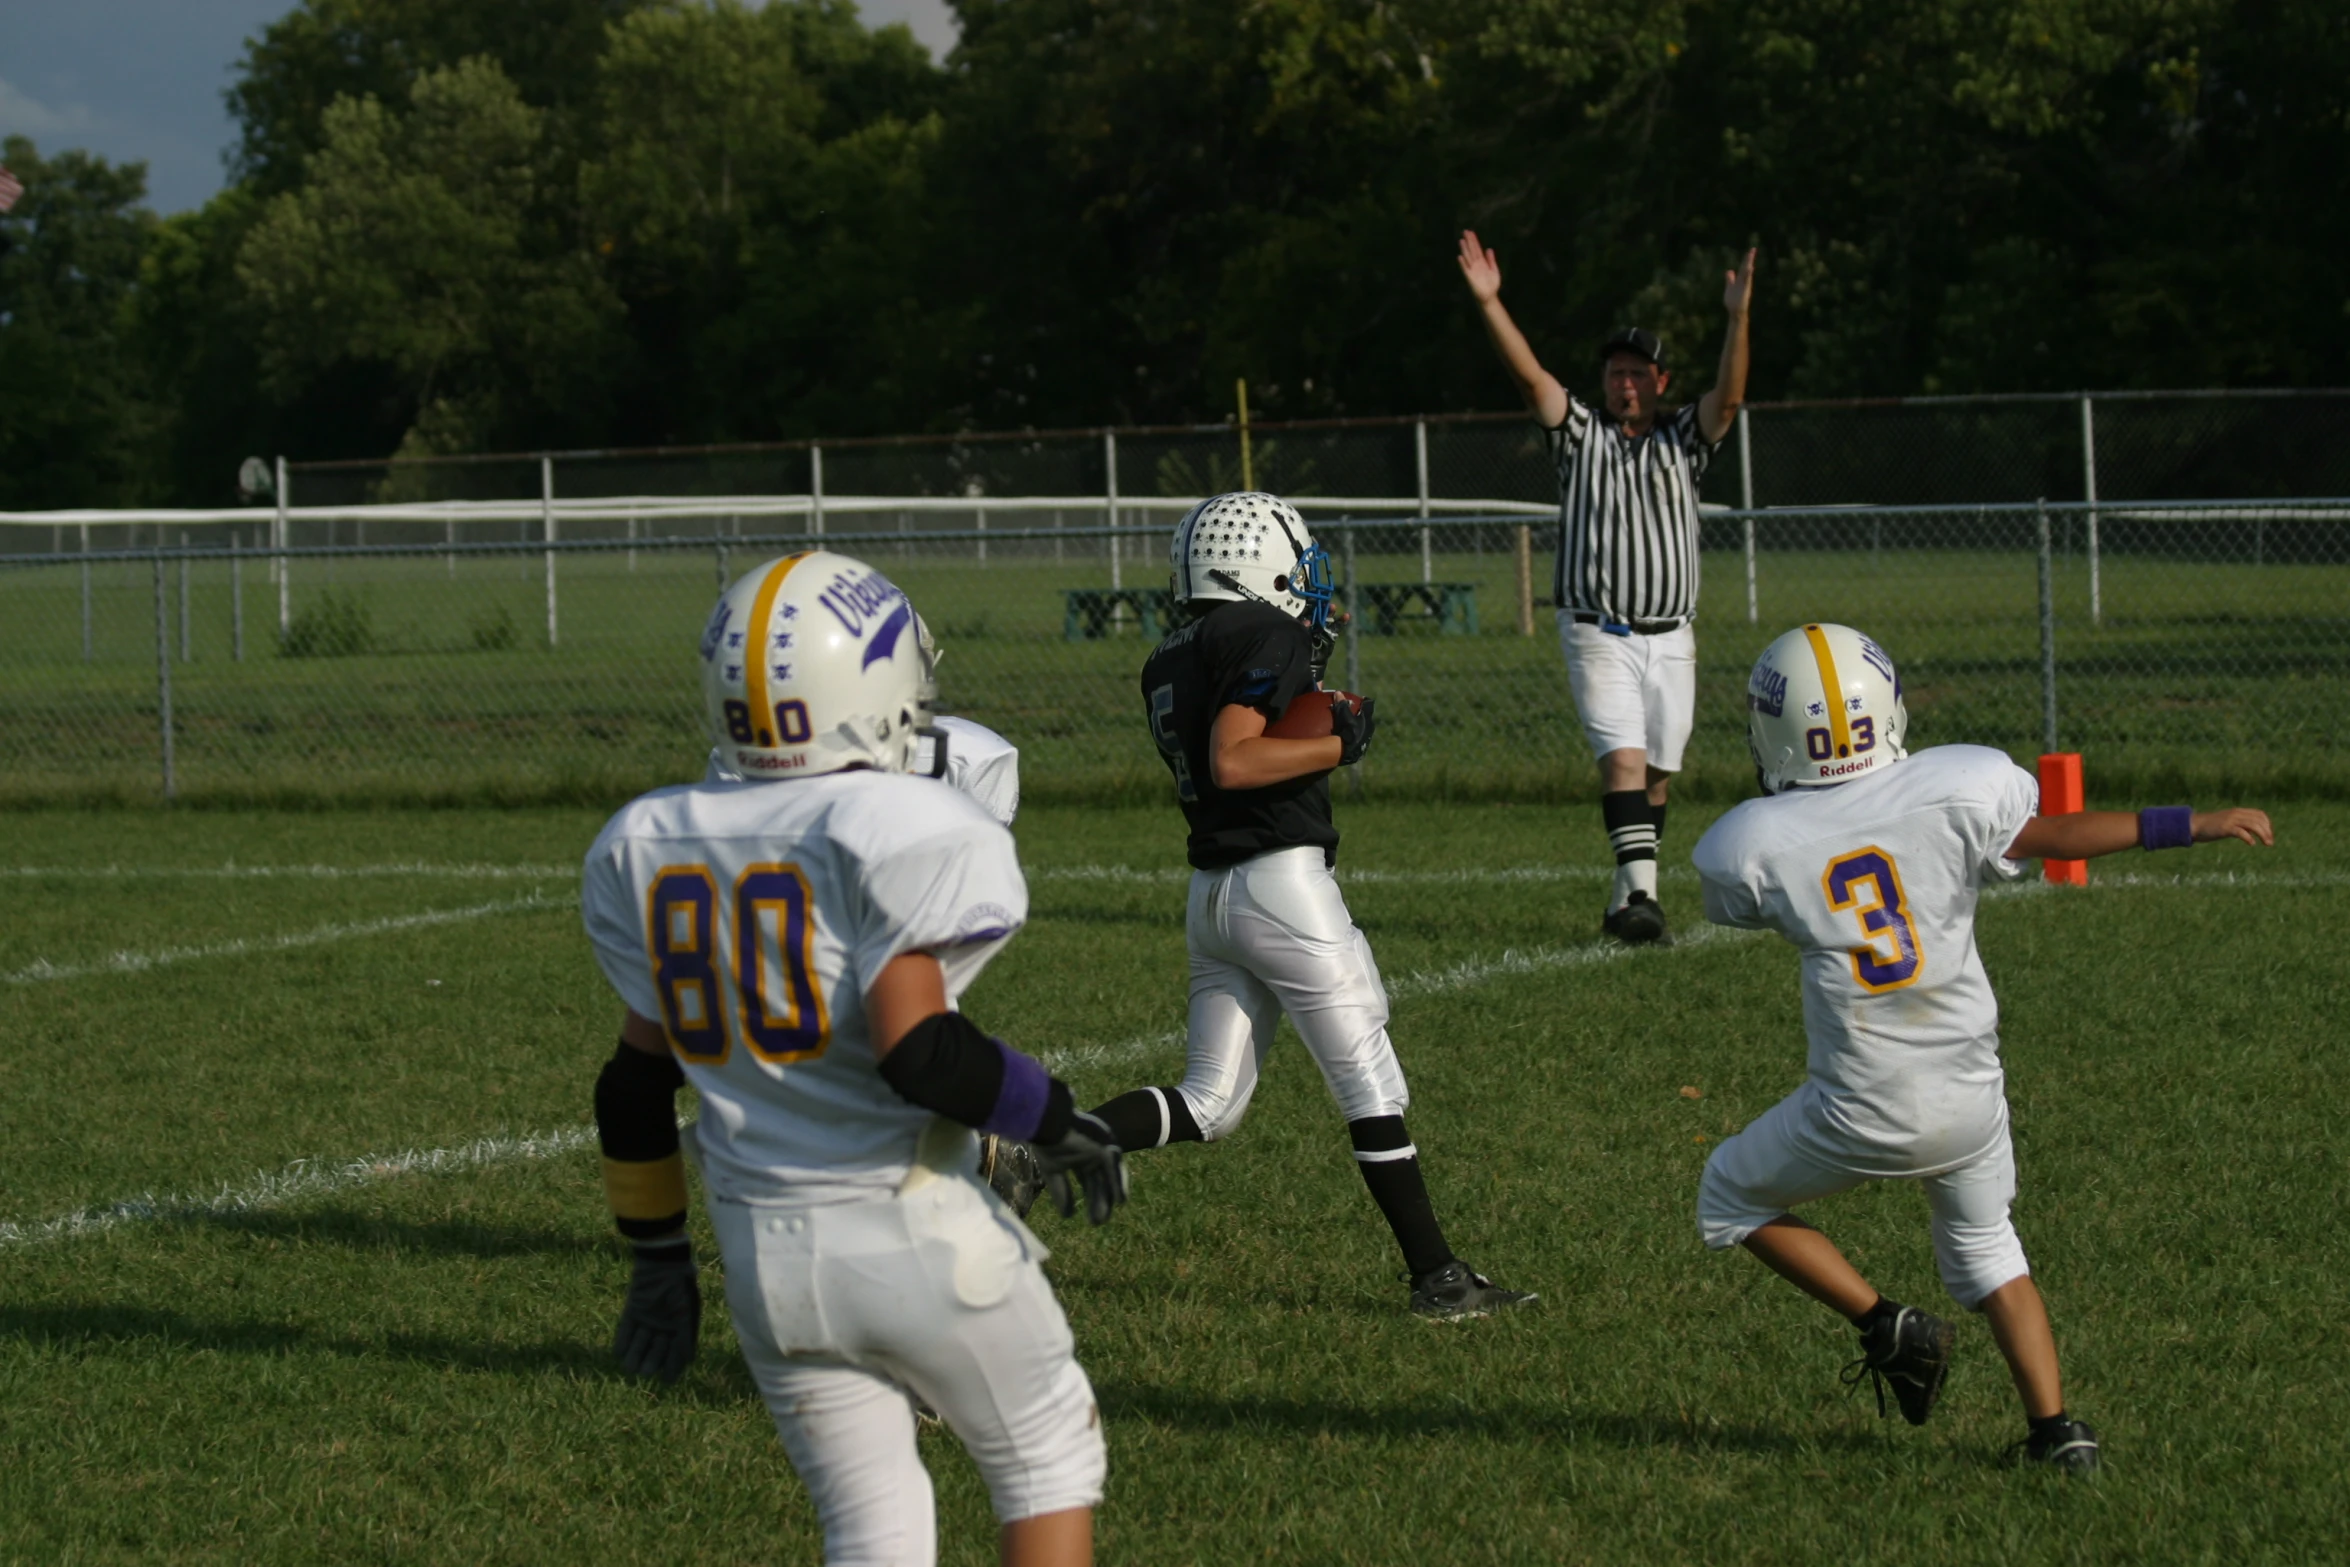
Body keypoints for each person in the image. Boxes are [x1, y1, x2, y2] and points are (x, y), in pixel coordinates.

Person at [584, 549, 1128, 1567]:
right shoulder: (888, 825)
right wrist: (1053, 1114)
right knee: (1047, 1458)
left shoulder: (652, 842)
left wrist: (658, 1262)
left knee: (871, 1519)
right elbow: (922, 1048)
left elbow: (632, 1089)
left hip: (766, 1259)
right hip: (904, 1221)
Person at [1690, 621, 2274, 1472]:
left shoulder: (1750, 845)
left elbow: (1753, 892)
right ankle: (2059, 1430)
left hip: (1858, 1105)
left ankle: (1885, 1321)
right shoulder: (1961, 785)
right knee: (1992, 1246)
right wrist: (2195, 821)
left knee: (1727, 1195)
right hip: (1969, 1095)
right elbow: (2060, 836)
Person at [1070, 491, 1533, 1319]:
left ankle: (1042, 1153)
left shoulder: (1172, 651)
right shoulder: (1264, 631)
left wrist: (1311, 719)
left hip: (1212, 893)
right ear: (1252, 564)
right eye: (1297, 565)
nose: (1310, 585)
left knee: (1210, 1101)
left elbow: (1233, 745)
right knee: (1369, 1077)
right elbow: (1237, 759)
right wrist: (1339, 743)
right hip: (1279, 885)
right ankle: (1440, 1277)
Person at [1457, 230, 1756, 944]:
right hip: (1598, 628)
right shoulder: (1580, 435)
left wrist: (1739, 318)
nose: (1625, 381)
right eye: (1616, 371)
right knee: (1621, 758)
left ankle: (1625, 899)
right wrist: (1491, 304)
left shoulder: (1685, 437)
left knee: (1656, 774)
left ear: (1661, 381)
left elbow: (1732, 397)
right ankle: (1645, 901)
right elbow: (1533, 379)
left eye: (1638, 372)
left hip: (1672, 633)